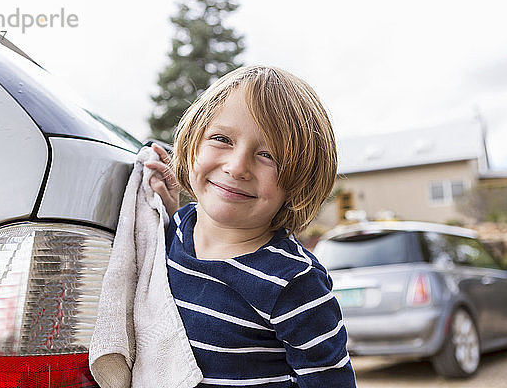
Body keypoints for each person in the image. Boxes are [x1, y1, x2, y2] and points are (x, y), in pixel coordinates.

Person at [144, 65, 356, 387]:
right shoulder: (171, 232)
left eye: (268, 155)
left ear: (300, 180)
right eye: (221, 139)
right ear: (192, 145)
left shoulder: (295, 283)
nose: (238, 166)